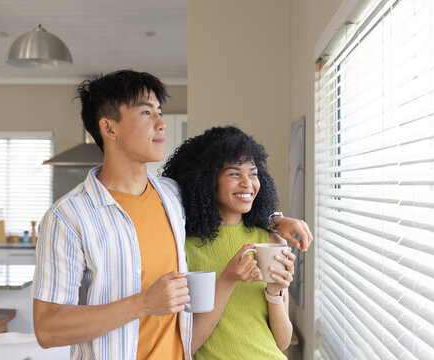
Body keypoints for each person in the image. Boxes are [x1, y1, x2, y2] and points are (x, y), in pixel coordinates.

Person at [32, 70, 312, 360]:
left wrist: (278, 220)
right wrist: (143, 303)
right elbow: (47, 329)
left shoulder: (173, 196)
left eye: (160, 112)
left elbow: (229, 203)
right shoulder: (68, 217)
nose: (161, 123)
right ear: (109, 128)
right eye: (146, 112)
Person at [162, 126, 304, 359]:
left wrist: (275, 293)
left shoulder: (270, 240)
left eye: (253, 173)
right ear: (207, 180)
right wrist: (228, 278)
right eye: (234, 173)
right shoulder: (182, 247)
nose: (248, 184)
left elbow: (282, 342)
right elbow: (188, 346)